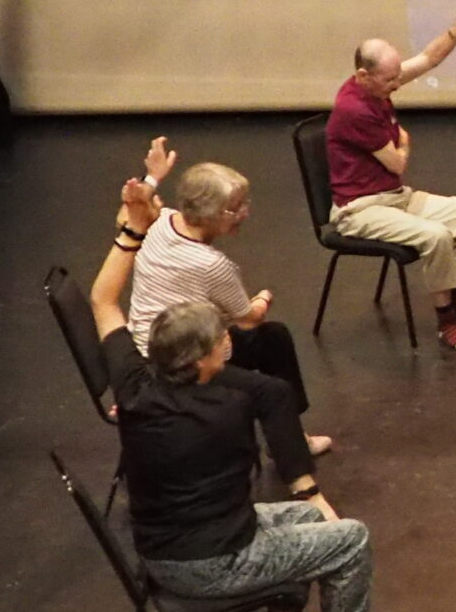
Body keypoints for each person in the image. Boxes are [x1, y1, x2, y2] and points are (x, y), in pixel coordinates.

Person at [87, 142, 382, 612]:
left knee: (310, 524)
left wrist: (132, 227)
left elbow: (105, 301)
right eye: (221, 339)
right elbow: (262, 389)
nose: (230, 341)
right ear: (203, 360)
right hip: (212, 561)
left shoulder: (135, 383)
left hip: (163, 545)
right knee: (350, 537)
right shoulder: (223, 410)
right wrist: (309, 488)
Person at [125, 150, 332, 475]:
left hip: (150, 344)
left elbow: (135, 207)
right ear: (208, 214)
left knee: (274, 338)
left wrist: (152, 178)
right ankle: (299, 475)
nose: (244, 214)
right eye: (235, 209)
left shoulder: (161, 221)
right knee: (273, 389)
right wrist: (263, 297)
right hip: (178, 364)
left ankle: (291, 431)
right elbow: (248, 318)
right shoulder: (212, 265)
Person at [328, 0, 456, 354]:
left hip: (394, 198)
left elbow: (427, 59)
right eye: (390, 80)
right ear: (364, 75)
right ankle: (447, 323)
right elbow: (397, 163)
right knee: (436, 235)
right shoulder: (354, 110)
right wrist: (404, 141)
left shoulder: (376, 86)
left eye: (396, 78)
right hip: (359, 210)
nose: (396, 86)